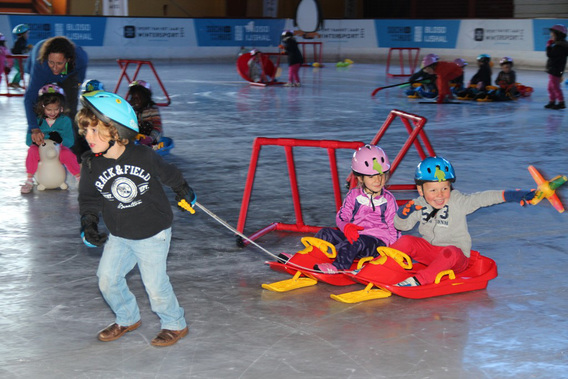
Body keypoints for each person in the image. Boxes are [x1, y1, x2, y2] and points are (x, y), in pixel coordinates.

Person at [77, 91, 195, 347]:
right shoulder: (89, 164)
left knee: (154, 285)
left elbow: (169, 173)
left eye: (95, 130)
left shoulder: (143, 155)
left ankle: (175, 323)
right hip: (119, 234)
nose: (89, 138)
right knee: (107, 279)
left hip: (153, 231)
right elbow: (88, 199)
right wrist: (88, 224)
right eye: (85, 132)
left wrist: (183, 190)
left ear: (116, 130)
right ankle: (127, 317)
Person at [391, 156, 535, 287]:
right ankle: (379, 266)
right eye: (433, 190)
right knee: (407, 241)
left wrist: (509, 195)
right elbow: (402, 226)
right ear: (421, 190)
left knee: (450, 252)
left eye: (444, 188)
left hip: (457, 259)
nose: (440, 195)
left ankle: (418, 281)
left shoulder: (458, 201)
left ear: (450, 187)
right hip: (431, 255)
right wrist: (402, 215)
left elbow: (482, 198)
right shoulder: (418, 204)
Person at [310, 144, 400, 273]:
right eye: (371, 177)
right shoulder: (353, 195)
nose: (378, 180)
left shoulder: (388, 200)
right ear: (360, 177)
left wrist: (393, 252)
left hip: (377, 243)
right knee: (326, 233)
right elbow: (342, 216)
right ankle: (309, 258)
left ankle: (338, 267)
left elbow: (394, 226)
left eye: (381, 175)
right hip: (355, 236)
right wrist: (346, 226)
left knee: (355, 242)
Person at [25, 36, 89, 160]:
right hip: (42, 70)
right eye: (52, 62)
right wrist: (34, 128)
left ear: (69, 60)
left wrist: (72, 89)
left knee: (70, 111)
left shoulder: (80, 59)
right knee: (42, 108)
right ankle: (41, 148)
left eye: (59, 63)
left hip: (69, 74)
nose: (55, 67)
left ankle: (78, 152)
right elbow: (30, 99)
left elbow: (77, 82)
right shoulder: (41, 64)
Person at [21, 84, 81, 194]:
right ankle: (29, 179)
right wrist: (37, 139)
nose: (52, 113)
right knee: (31, 151)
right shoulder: (36, 121)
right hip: (41, 150)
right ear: (41, 107)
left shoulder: (65, 120)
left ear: (61, 107)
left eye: (56, 109)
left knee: (68, 154)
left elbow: (70, 141)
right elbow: (28, 141)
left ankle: (79, 177)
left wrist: (61, 140)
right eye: (49, 109)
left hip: (58, 150)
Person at [127, 80, 163, 147]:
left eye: (139, 98)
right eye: (134, 98)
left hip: (151, 138)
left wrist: (150, 138)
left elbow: (157, 127)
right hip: (135, 139)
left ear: (146, 98)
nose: (136, 101)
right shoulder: (131, 109)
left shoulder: (152, 109)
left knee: (146, 125)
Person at [545, 24, 568, 110]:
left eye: (553, 35)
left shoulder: (560, 46)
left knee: (555, 87)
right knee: (550, 87)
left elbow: (550, 54)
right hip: (554, 69)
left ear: (558, 35)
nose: (551, 37)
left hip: (556, 70)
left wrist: (548, 46)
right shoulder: (560, 45)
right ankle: (552, 101)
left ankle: (561, 102)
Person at [9, 24, 32, 89]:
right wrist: (26, 49)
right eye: (27, 33)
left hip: (18, 58)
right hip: (17, 59)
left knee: (21, 71)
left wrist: (26, 48)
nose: (28, 35)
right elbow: (16, 50)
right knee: (21, 70)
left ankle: (15, 82)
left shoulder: (22, 41)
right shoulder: (20, 41)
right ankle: (15, 82)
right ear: (22, 34)